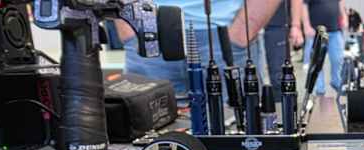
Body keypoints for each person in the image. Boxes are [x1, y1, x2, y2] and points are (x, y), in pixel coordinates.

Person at [117, 0, 280, 94]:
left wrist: (242, 32)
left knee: (235, 130)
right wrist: (129, 27)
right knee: (146, 135)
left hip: (225, 37)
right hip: (147, 34)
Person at [297, 0, 347, 96]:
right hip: (316, 32)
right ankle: (319, 90)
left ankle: (336, 81)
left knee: (338, 59)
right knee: (317, 62)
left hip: (335, 30)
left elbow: (340, 2)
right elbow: (304, 5)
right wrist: (306, 26)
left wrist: (344, 17)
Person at [264, 0, 303, 101]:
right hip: (248, 26)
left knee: (280, 79)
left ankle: (285, 108)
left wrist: (296, 25)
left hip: (276, 25)